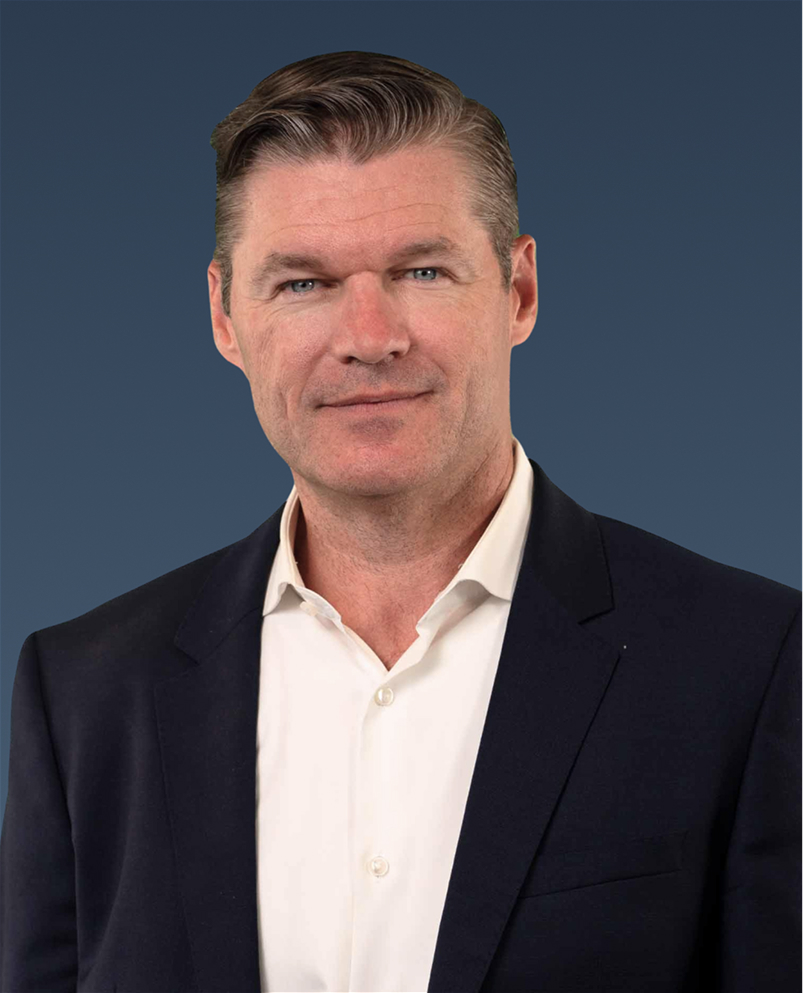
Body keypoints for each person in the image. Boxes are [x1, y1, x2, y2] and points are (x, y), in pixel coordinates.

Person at [0, 49, 799, 993]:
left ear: (518, 292)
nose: (369, 336)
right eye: (302, 283)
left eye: (421, 270)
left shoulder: (752, 664)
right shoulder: (86, 690)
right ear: (224, 316)